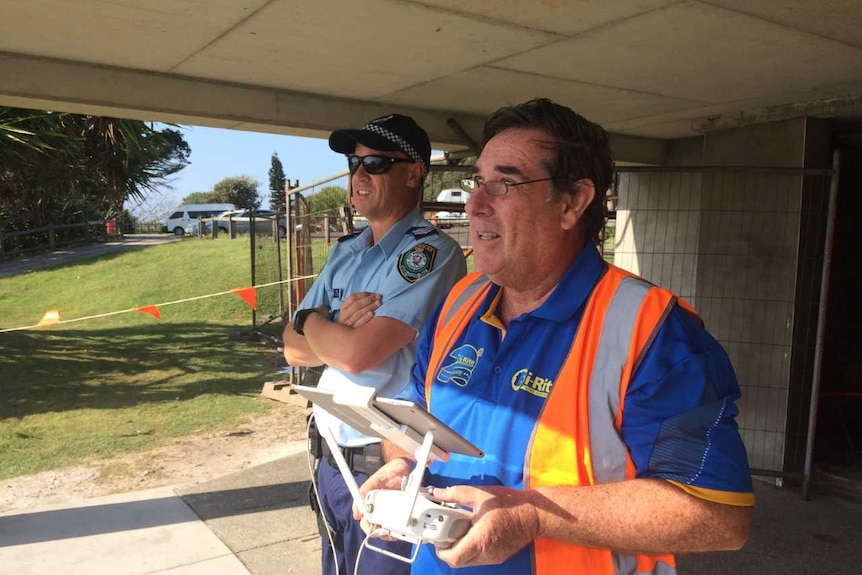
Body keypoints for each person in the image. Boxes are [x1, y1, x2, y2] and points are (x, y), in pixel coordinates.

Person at [358, 98, 754, 574]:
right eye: (477, 182)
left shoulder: (653, 331)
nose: (475, 204)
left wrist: (531, 516)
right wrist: (401, 466)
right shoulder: (460, 302)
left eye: (503, 183)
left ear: (572, 202)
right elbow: (411, 419)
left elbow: (718, 514)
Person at [282, 112, 467, 575]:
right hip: (330, 460)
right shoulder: (347, 251)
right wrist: (330, 326)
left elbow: (357, 356)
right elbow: (291, 350)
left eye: (377, 163)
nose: (360, 175)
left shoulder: (430, 253)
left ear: (414, 173)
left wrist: (312, 319)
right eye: (354, 163)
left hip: (385, 464)